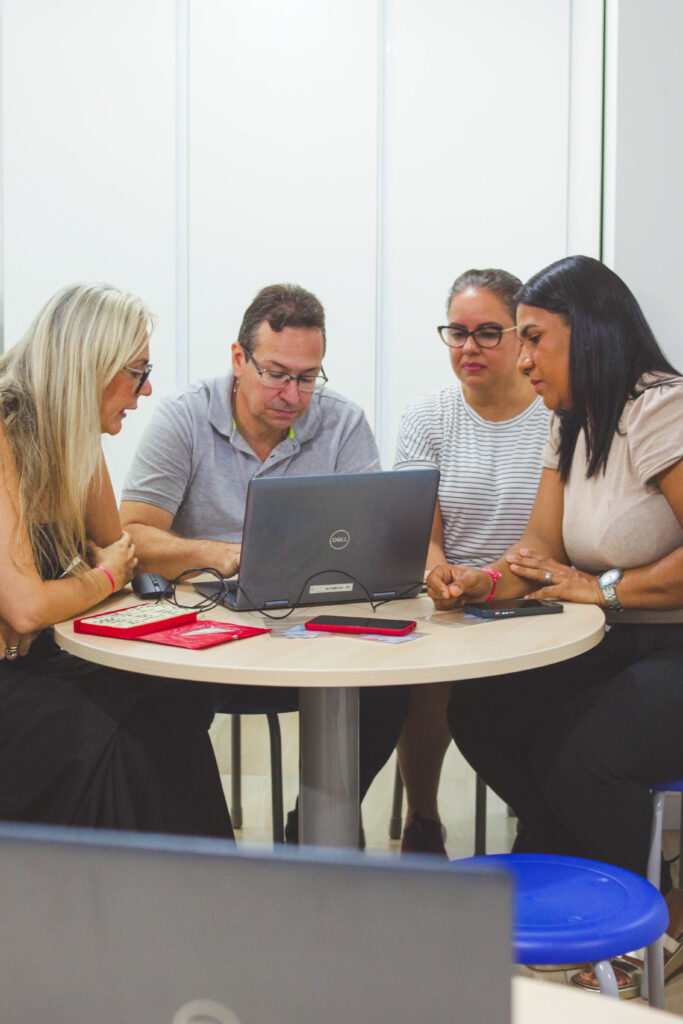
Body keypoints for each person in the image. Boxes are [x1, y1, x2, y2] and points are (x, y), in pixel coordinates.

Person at [428, 255, 683, 994]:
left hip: (673, 640)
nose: (523, 360)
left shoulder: (659, 408)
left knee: (581, 756)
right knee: (482, 710)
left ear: (591, 332)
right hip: (618, 638)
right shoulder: (569, 419)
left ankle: (656, 918)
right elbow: (539, 552)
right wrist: (481, 581)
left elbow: (589, 581)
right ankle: (574, 869)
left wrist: (604, 588)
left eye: (534, 339)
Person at [120, 283, 410, 839]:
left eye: (307, 378)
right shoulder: (185, 417)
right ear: (239, 359)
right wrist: (222, 555)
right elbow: (132, 534)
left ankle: (312, 830)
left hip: (314, 631)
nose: (293, 394)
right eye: (277, 374)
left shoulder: (343, 423)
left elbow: (373, 540)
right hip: (210, 639)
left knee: (389, 690)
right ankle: (207, 852)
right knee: (159, 699)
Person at [0, 283, 232, 838]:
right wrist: (100, 576)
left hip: (39, 657)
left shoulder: (71, 434)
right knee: (129, 734)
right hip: (13, 678)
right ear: (89, 366)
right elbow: (31, 606)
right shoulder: (5, 430)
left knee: (174, 698)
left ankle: (191, 884)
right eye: (136, 371)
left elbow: (119, 549)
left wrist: (95, 577)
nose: (146, 388)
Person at [393, 269, 549, 854]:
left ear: (520, 336)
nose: (468, 348)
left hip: (534, 593)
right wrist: (439, 573)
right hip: (450, 597)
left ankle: (538, 817)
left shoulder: (555, 413)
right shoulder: (427, 416)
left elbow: (550, 538)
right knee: (424, 672)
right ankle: (423, 820)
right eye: (457, 333)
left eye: (487, 332)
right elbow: (420, 531)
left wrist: (493, 579)